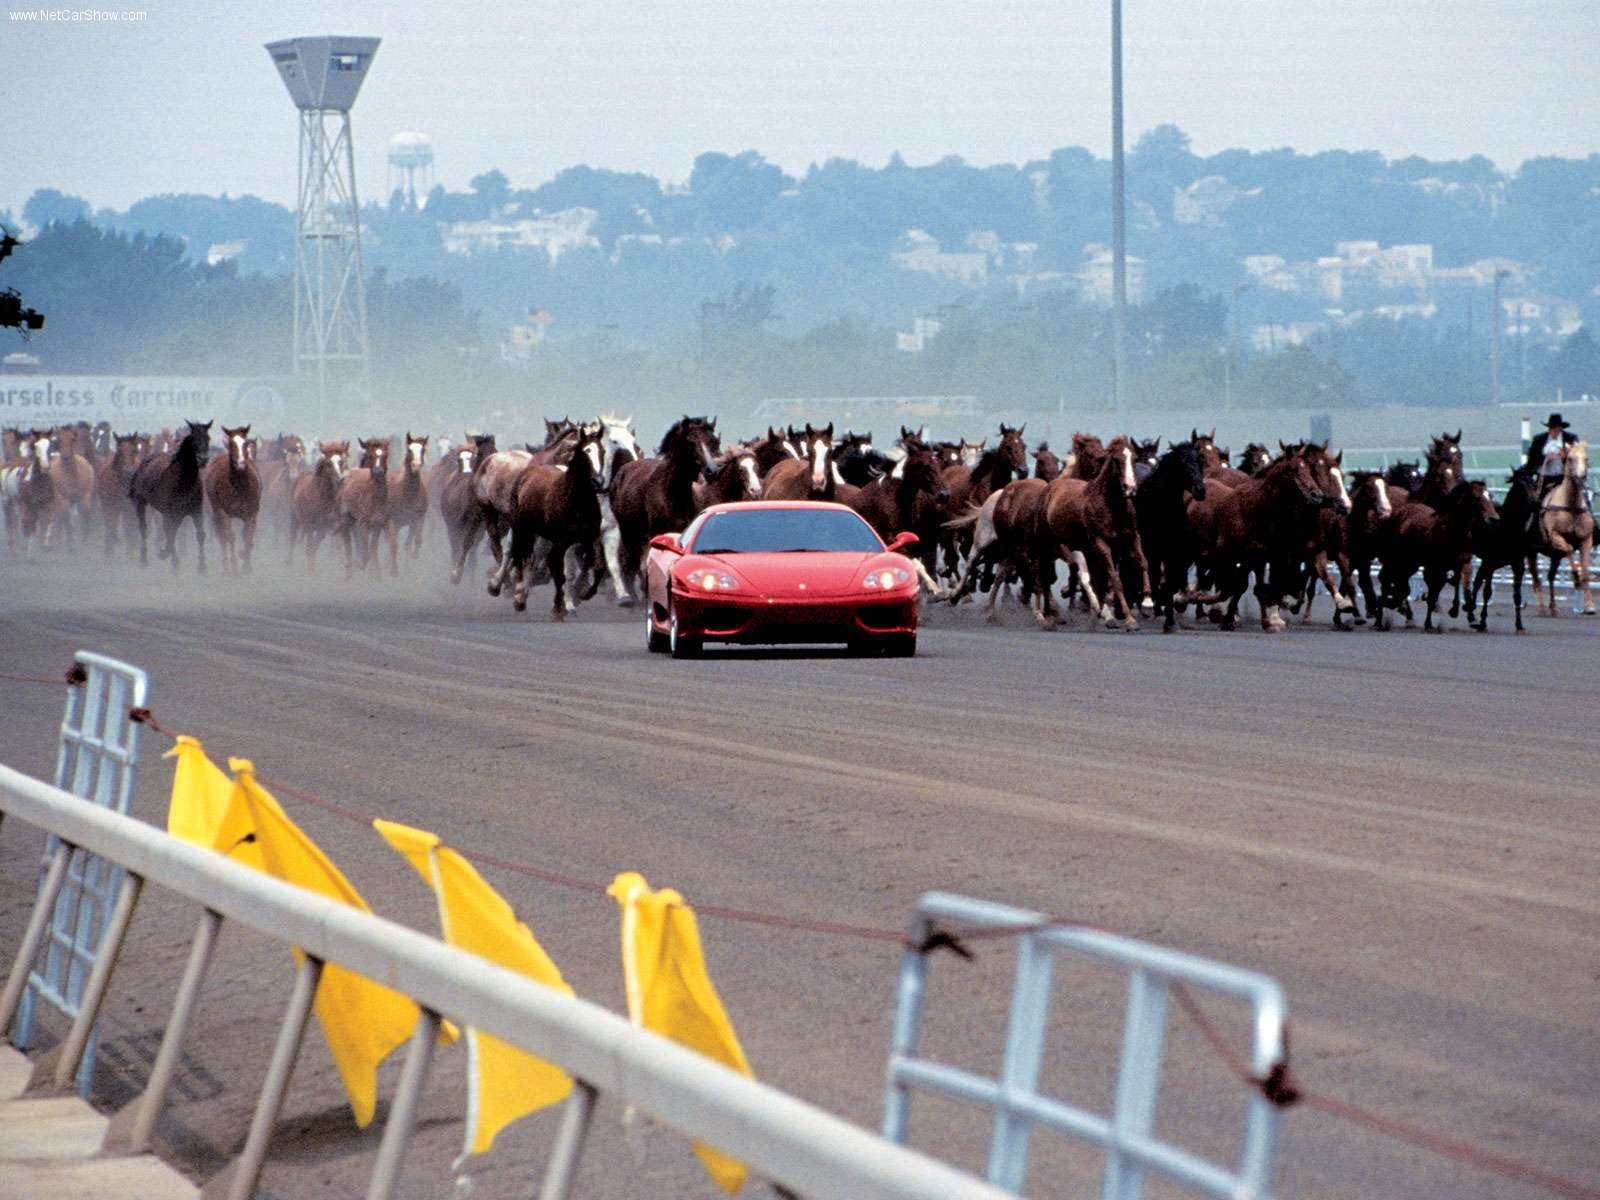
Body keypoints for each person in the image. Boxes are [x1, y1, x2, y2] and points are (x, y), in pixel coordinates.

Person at [1525, 412, 1578, 499]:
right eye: (1552, 428)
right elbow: (1532, 460)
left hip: (1563, 478)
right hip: (1544, 479)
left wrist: (1565, 458)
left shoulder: (1570, 438)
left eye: (1557, 429)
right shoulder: (1539, 439)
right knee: (1536, 501)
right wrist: (1545, 459)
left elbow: (1576, 459)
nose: (1555, 432)